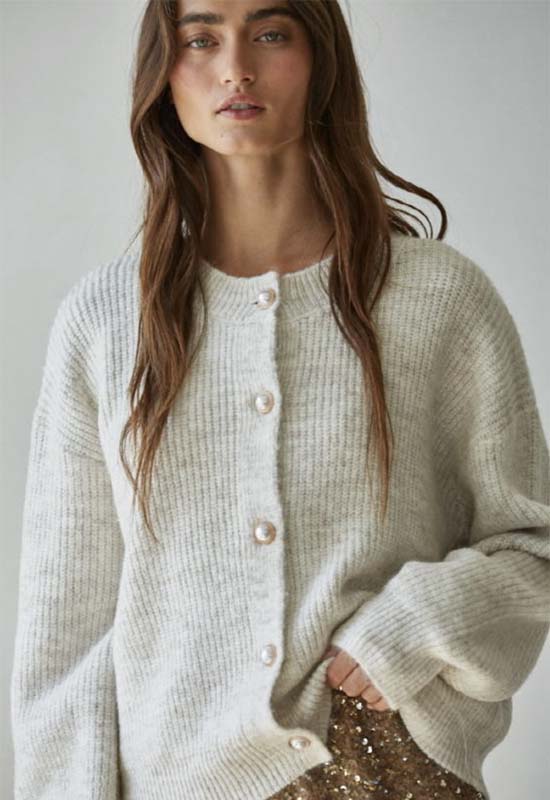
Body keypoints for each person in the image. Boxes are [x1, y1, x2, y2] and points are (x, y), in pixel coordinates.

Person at [10, 1, 550, 799]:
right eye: (200, 39)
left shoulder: (438, 300)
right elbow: (67, 632)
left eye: (270, 34)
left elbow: (533, 547)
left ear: (319, 58)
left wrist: (416, 623)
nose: (236, 68)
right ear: (163, 75)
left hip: (385, 764)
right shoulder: (106, 322)